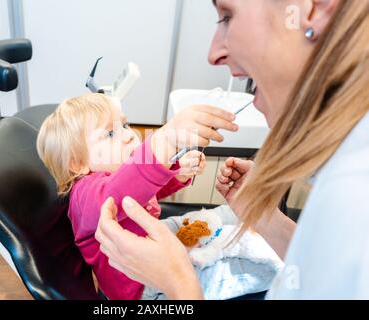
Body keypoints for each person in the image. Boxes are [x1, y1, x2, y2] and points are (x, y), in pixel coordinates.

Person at [95, 0, 369, 299]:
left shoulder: (354, 198)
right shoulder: (88, 190)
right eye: (110, 133)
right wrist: (264, 217)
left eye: (227, 15)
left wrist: (180, 286)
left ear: (314, 9)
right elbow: (320, 273)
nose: (214, 55)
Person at [36, 93, 240, 299]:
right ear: (77, 164)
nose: (128, 135)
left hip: (151, 243)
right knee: (226, 276)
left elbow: (145, 190)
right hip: (140, 287)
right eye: (109, 134)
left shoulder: (120, 169)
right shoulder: (84, 194)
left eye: (124, 125)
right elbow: (121, 191)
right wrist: (163, 143)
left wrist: (179, 173)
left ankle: (243, 216)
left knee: (213, 217)